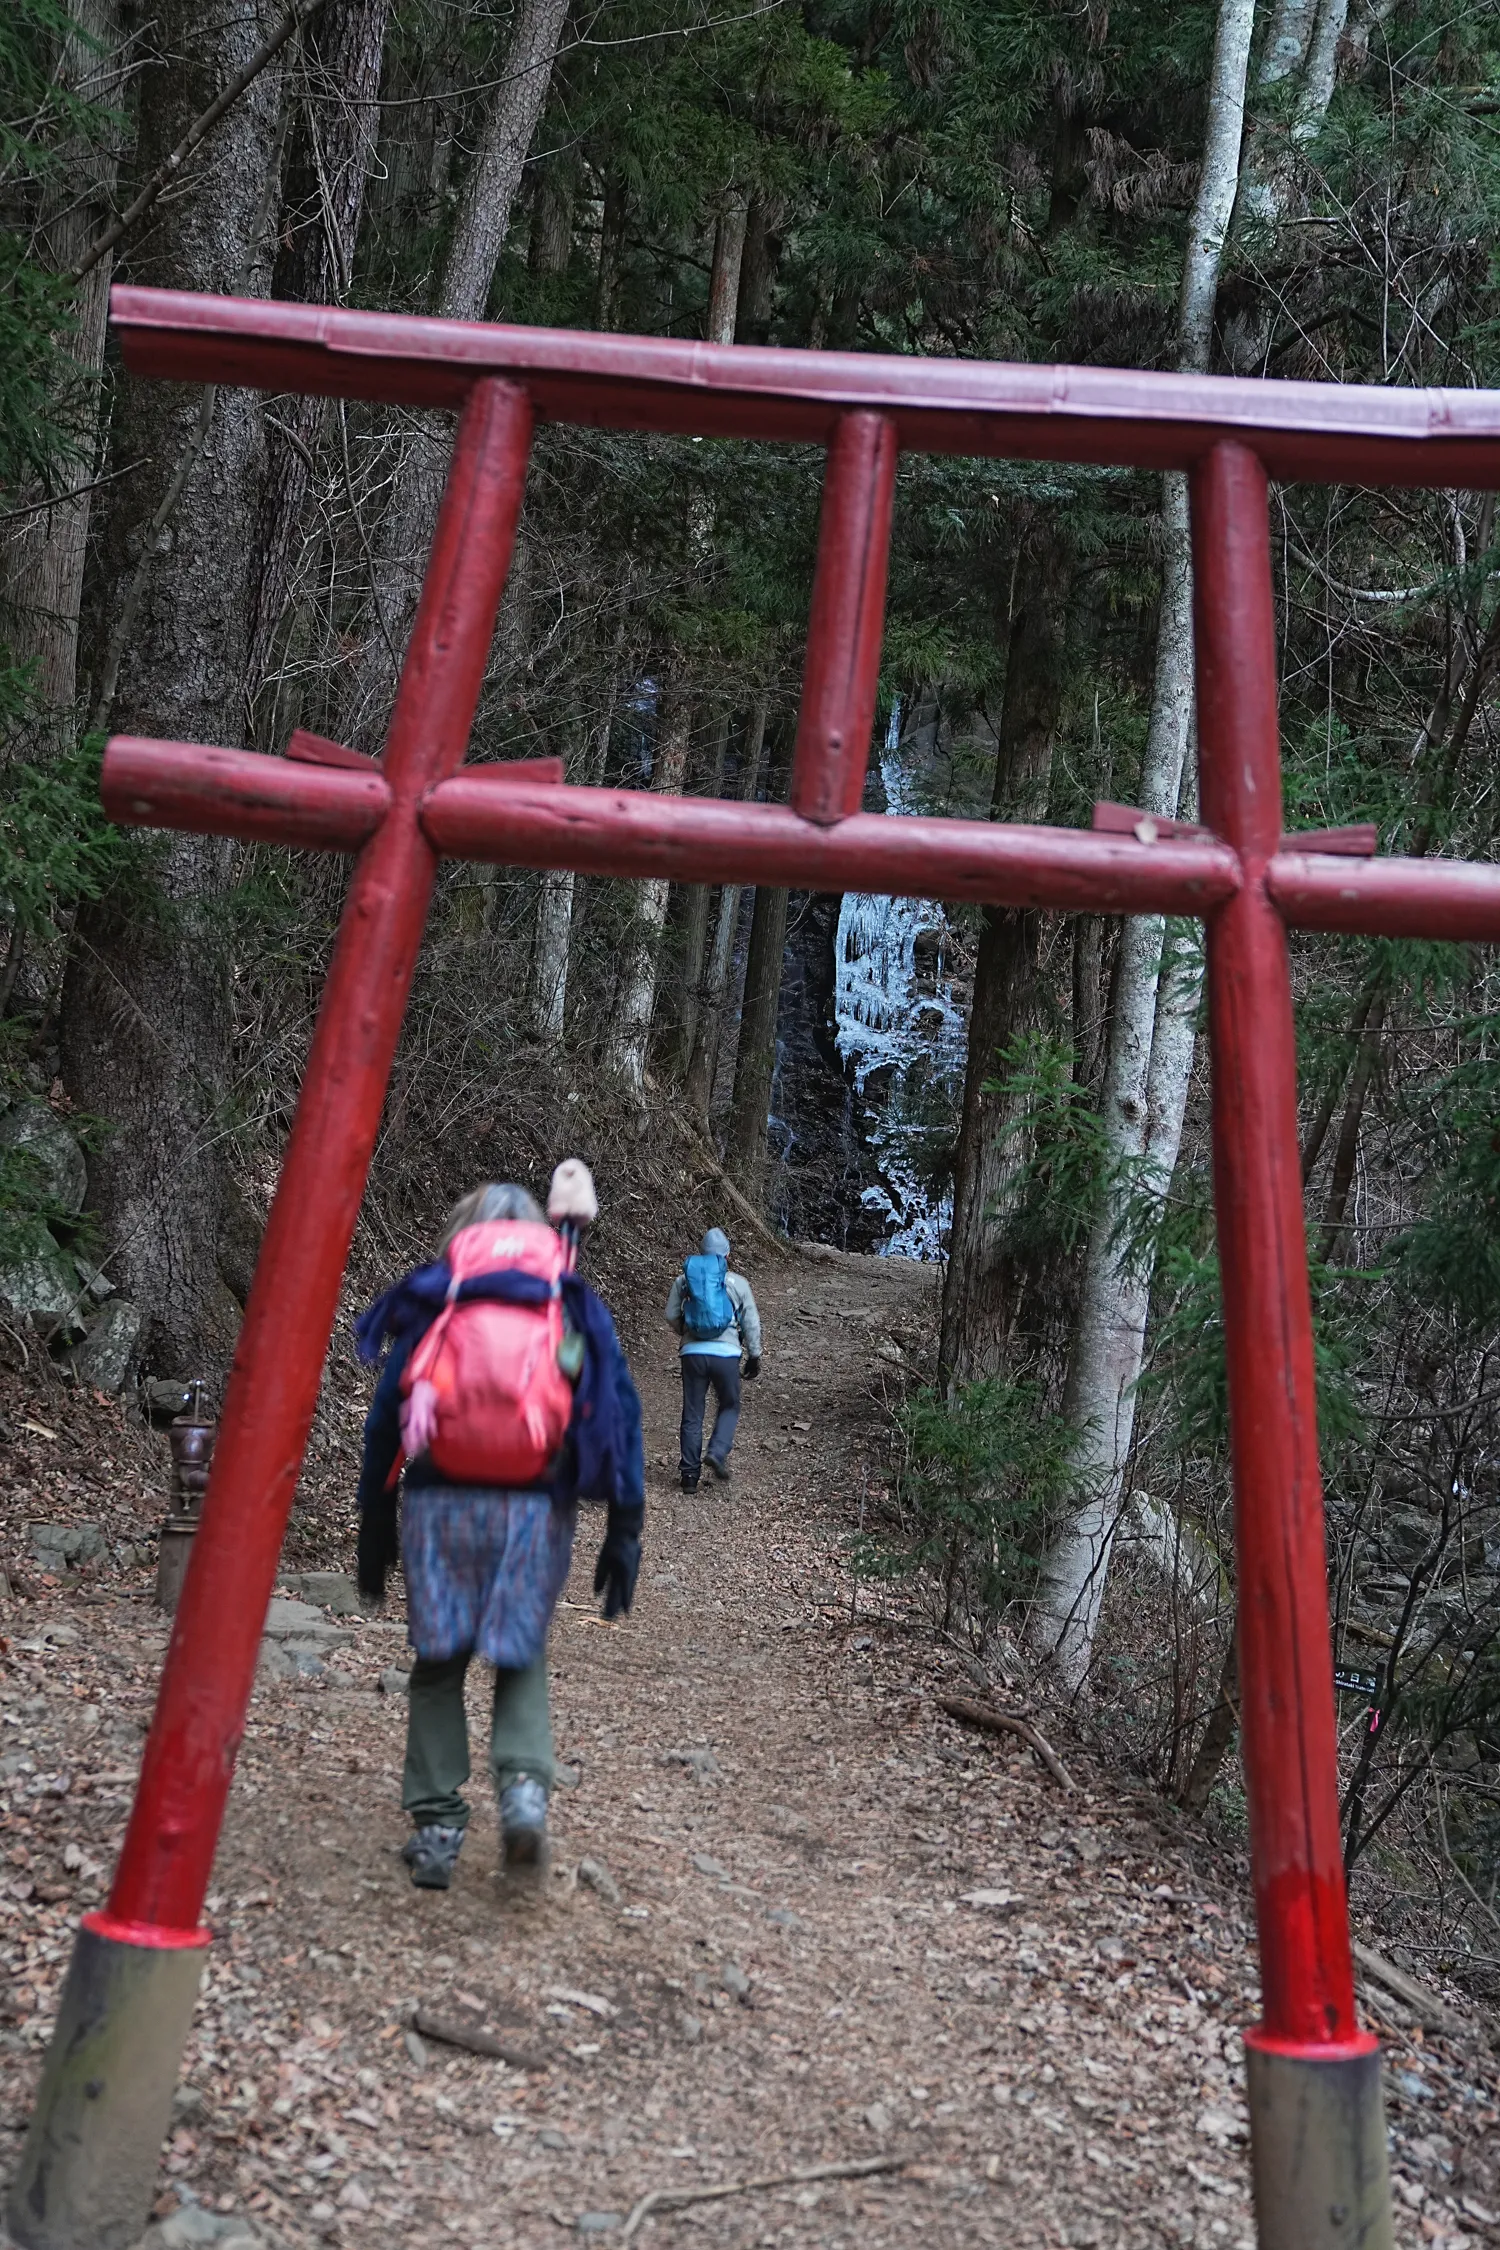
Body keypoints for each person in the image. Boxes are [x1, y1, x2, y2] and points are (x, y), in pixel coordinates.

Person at [353, 1163, 643, 1892]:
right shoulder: (565, 1299)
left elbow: (388, 1415)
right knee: (519, 1654)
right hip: (534, 1506)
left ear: (464, 1232)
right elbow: (618, 1413)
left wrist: (374, 1522)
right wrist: (624, 1526)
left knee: (438, 1662)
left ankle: (437, 1827)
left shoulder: (440, 1293)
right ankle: (522, 1799)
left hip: (439, 1503)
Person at [665, 1225, 762, 1491]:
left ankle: (689, 1476)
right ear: (727, 1256)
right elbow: (751, 1322)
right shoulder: (738, 1283)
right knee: (729, 1404)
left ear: (702, 1254)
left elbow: (671, 1314)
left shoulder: (684, 1280)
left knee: (692, 1413)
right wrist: (754, 1355)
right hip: (726, 1355)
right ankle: (717, 1452)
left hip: (692, 1355)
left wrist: (686, 1331)